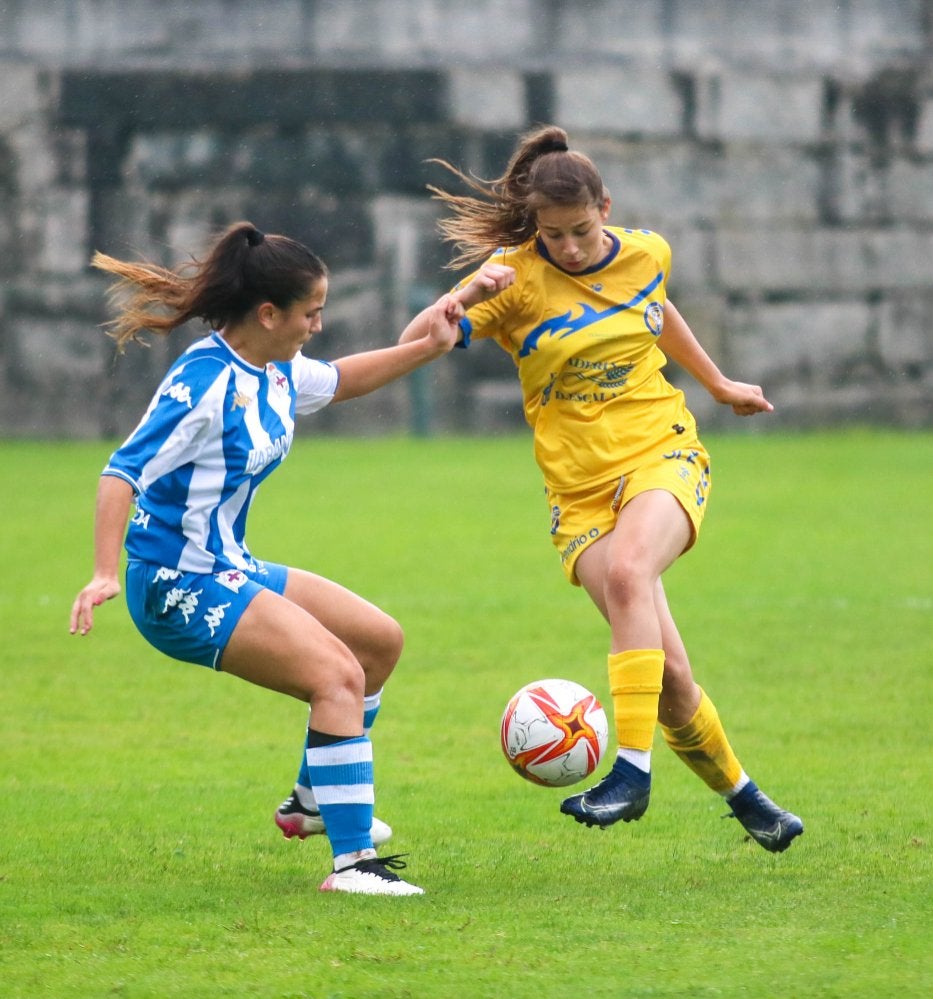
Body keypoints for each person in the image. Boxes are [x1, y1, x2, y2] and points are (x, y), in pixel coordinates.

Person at [69, 220, 514, 896]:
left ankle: (310, 802)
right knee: (335, 674)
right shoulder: (204, 383)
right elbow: (120, 472)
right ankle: (353, 863)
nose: (318, 324)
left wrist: (429, 346)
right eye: (311, 312)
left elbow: (340, 380)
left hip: (227, 563)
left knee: (375, 643)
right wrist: (105, 571)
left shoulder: (273, 368)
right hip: (174, 582)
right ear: (269, 313)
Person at [413, 125, 803, 852]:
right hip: (578, 496)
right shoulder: (513, 277)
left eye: (580, 231)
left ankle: (630, 771)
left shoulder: (646, 251)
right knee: (669, 679)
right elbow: (420, 339)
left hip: (661, 455)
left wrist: (716, 384)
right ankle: (749, 801)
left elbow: (654, 310)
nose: (567, 247)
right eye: (552, 234)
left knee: (630, 571)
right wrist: (468, 289)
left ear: (606, 208)